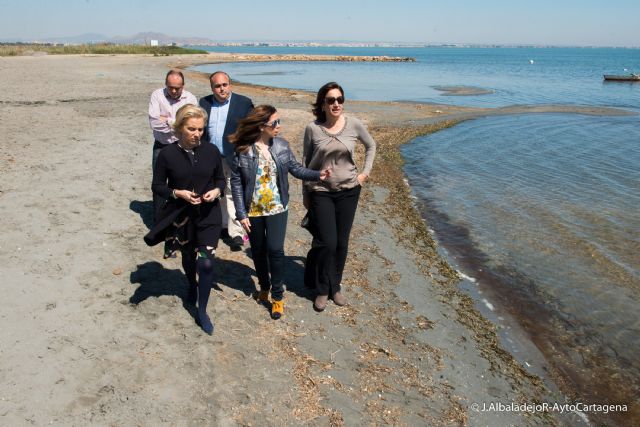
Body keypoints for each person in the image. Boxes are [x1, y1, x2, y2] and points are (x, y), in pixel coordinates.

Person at [229, 105, 330, 319]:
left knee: (275, 250)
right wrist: (241, 213)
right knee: (258, 251)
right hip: (253, 210)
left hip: (277, 207)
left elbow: (295, 168)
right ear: (261, 125)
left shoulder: (281, 145)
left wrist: (317, 175)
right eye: (274, 123)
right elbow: (236, 182)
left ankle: (277, 296)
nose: (279, 126)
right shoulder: (243, 149)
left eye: (279, 121)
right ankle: (264, 287)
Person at [144, 105, 225, 335]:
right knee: (189, 258)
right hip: (182, 217)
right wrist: (177, 193)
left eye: (200, 129)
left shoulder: (211, 151)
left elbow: (220, 179)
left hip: (209, 215)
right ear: (180, 128)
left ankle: (202, 310)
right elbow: (157, 186)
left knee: (206, 262)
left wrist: (216, 192)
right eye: (191, 129)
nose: (197, 134)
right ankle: (191, 283)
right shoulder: (167, 154)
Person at [302, 82, 376, 311]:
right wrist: (305, 193)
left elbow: (371, 145)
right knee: (327, 242)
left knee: (341, 243)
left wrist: (364, 174)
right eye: (331, 100)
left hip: (349, 191)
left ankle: (335, 287)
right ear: (322, 104)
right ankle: (322, 289)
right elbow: (305, 164)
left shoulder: (353, 124)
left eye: (340, 99)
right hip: (321, 192)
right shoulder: (312, 129)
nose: (336, 104)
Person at [199, 71, 254, 251]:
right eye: (217, 86)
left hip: (233, 156)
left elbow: (252, 128)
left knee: (233, 191)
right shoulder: (204, 103)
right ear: (212, 88)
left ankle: (236, 232)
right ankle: (222, 225)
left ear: (229, 84)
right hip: (211, 157)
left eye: (225, 85)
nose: (222, 89)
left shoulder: (243, 103)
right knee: (216, 191)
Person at [148, 69, 197, 221]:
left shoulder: (191, 98)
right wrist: (178, 122)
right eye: (171, 87)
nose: (174, 91)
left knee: (183, 182)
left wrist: (167, 120)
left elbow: (192, 123)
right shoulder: (157, 95)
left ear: (183, 85)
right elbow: (154, 123)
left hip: (184, 147)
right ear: (166, 85)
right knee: (159, 185)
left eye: (178, 87)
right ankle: (159, 221)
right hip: (161, 146)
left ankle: (181, 219)